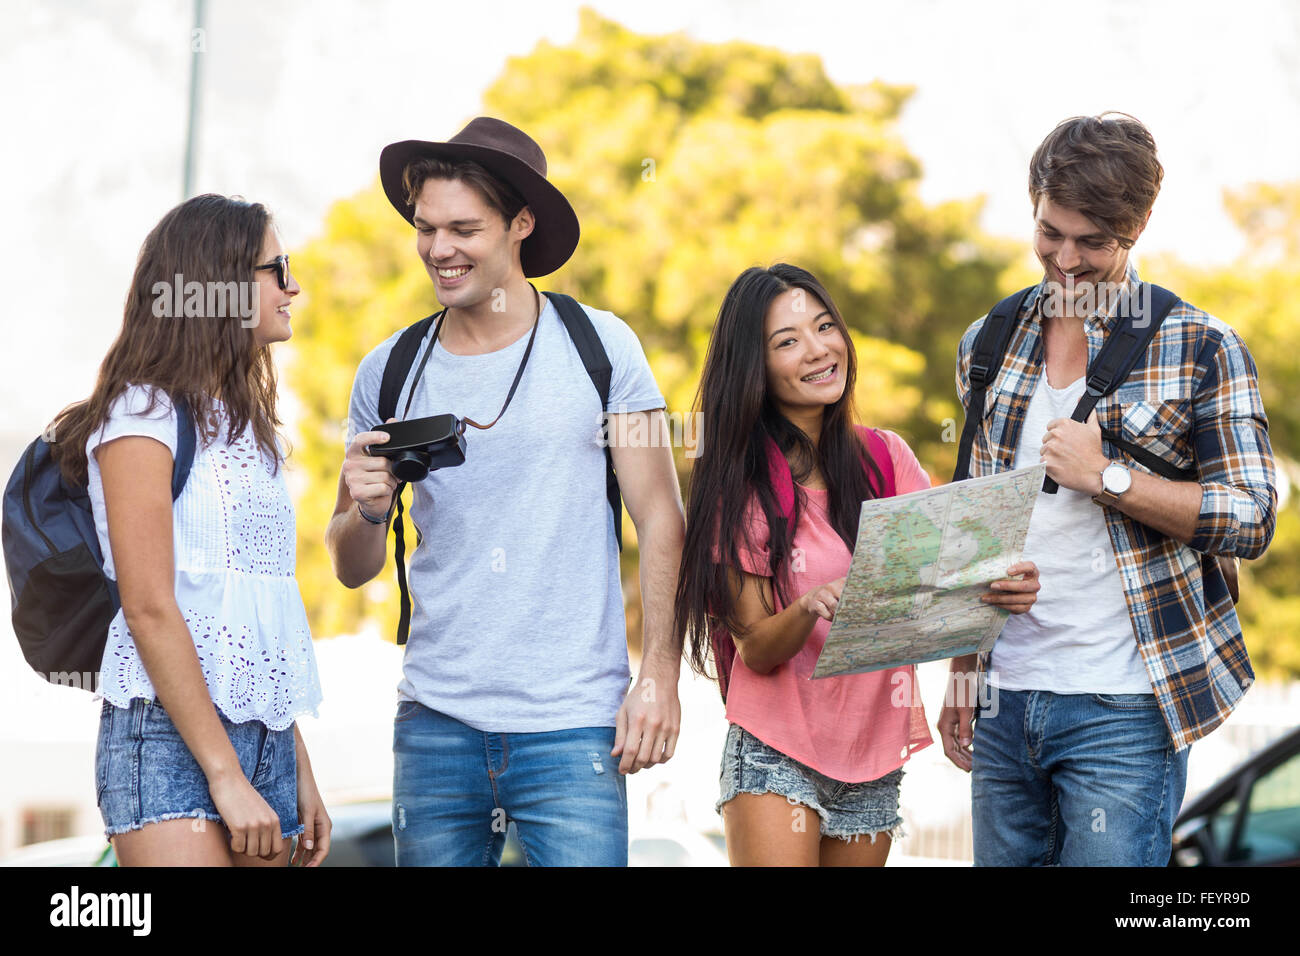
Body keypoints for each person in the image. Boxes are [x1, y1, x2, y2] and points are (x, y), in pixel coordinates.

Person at [327, 117, 686, 867]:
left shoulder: (604, 347)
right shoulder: (387, 370)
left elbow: (661, 518)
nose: (439, 249)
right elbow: (350, 565)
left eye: (464, 228)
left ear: (521, 223)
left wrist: (658, 675)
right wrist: (366, 510)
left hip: (576, 726)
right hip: (435, 727)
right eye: (425, 228)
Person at [940, 113, 1279, 866]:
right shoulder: (986, 343)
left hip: (1123, 707)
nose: (1065, 260)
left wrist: (1109, 478)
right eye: (1049, 232)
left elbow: (1252, 518)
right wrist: (963, 675)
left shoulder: (1201, 347)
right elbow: (973, 522)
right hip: (1005, 700)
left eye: (1092, 242)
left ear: (1140, 225)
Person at [674, 263, 1040, 866]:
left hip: (871, 754)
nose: (818, 350)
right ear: (755, 369)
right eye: (787, 341)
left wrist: (1000, 585)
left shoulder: (886, 458)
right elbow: (759, 649)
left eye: (824, 327)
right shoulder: (738, 488)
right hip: (776, 752)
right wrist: (808, 606)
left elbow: (947, 587)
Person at [49, 194, 331, 866]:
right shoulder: (140, 412)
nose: (294, 286)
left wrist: (300, 769)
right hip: (169, 739)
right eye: (276, 268)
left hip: (268, 745)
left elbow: (260, 622)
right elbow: (149, 607)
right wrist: (226, 775)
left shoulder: (253, 433)